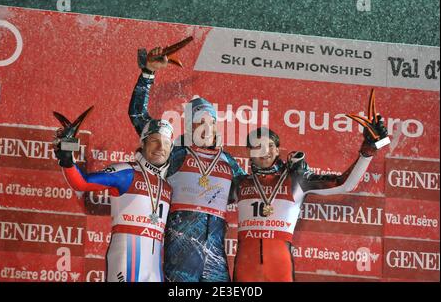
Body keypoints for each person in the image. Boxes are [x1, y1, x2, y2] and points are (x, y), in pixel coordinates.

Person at [128, 47, 245, 282]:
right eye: (198, 122)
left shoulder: (229, 162)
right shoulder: (175, 153)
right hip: (180, 255)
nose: (205, 127)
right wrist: (148, 73)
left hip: (215, 256)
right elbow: (138, 117)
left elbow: (257, 188)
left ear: (215, 125)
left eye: (209, 122)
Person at [232, 118, 388, 282]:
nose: (265, 150)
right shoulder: (239, 183)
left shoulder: (295, 179)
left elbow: (345, 185)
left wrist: (368, 151)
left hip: (279, 266)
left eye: (270, 145)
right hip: (246, 267)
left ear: (278, 150)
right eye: (257, 146)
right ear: (249, 152)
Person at [54, 118, 174, 282]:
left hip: (154, 266)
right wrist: (67, 154)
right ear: (143, 143)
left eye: (166, 143)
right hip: (127, 257)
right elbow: (81, 183)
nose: (161, 148)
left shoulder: (168, 185)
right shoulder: (126, 172)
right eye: (154, 141)